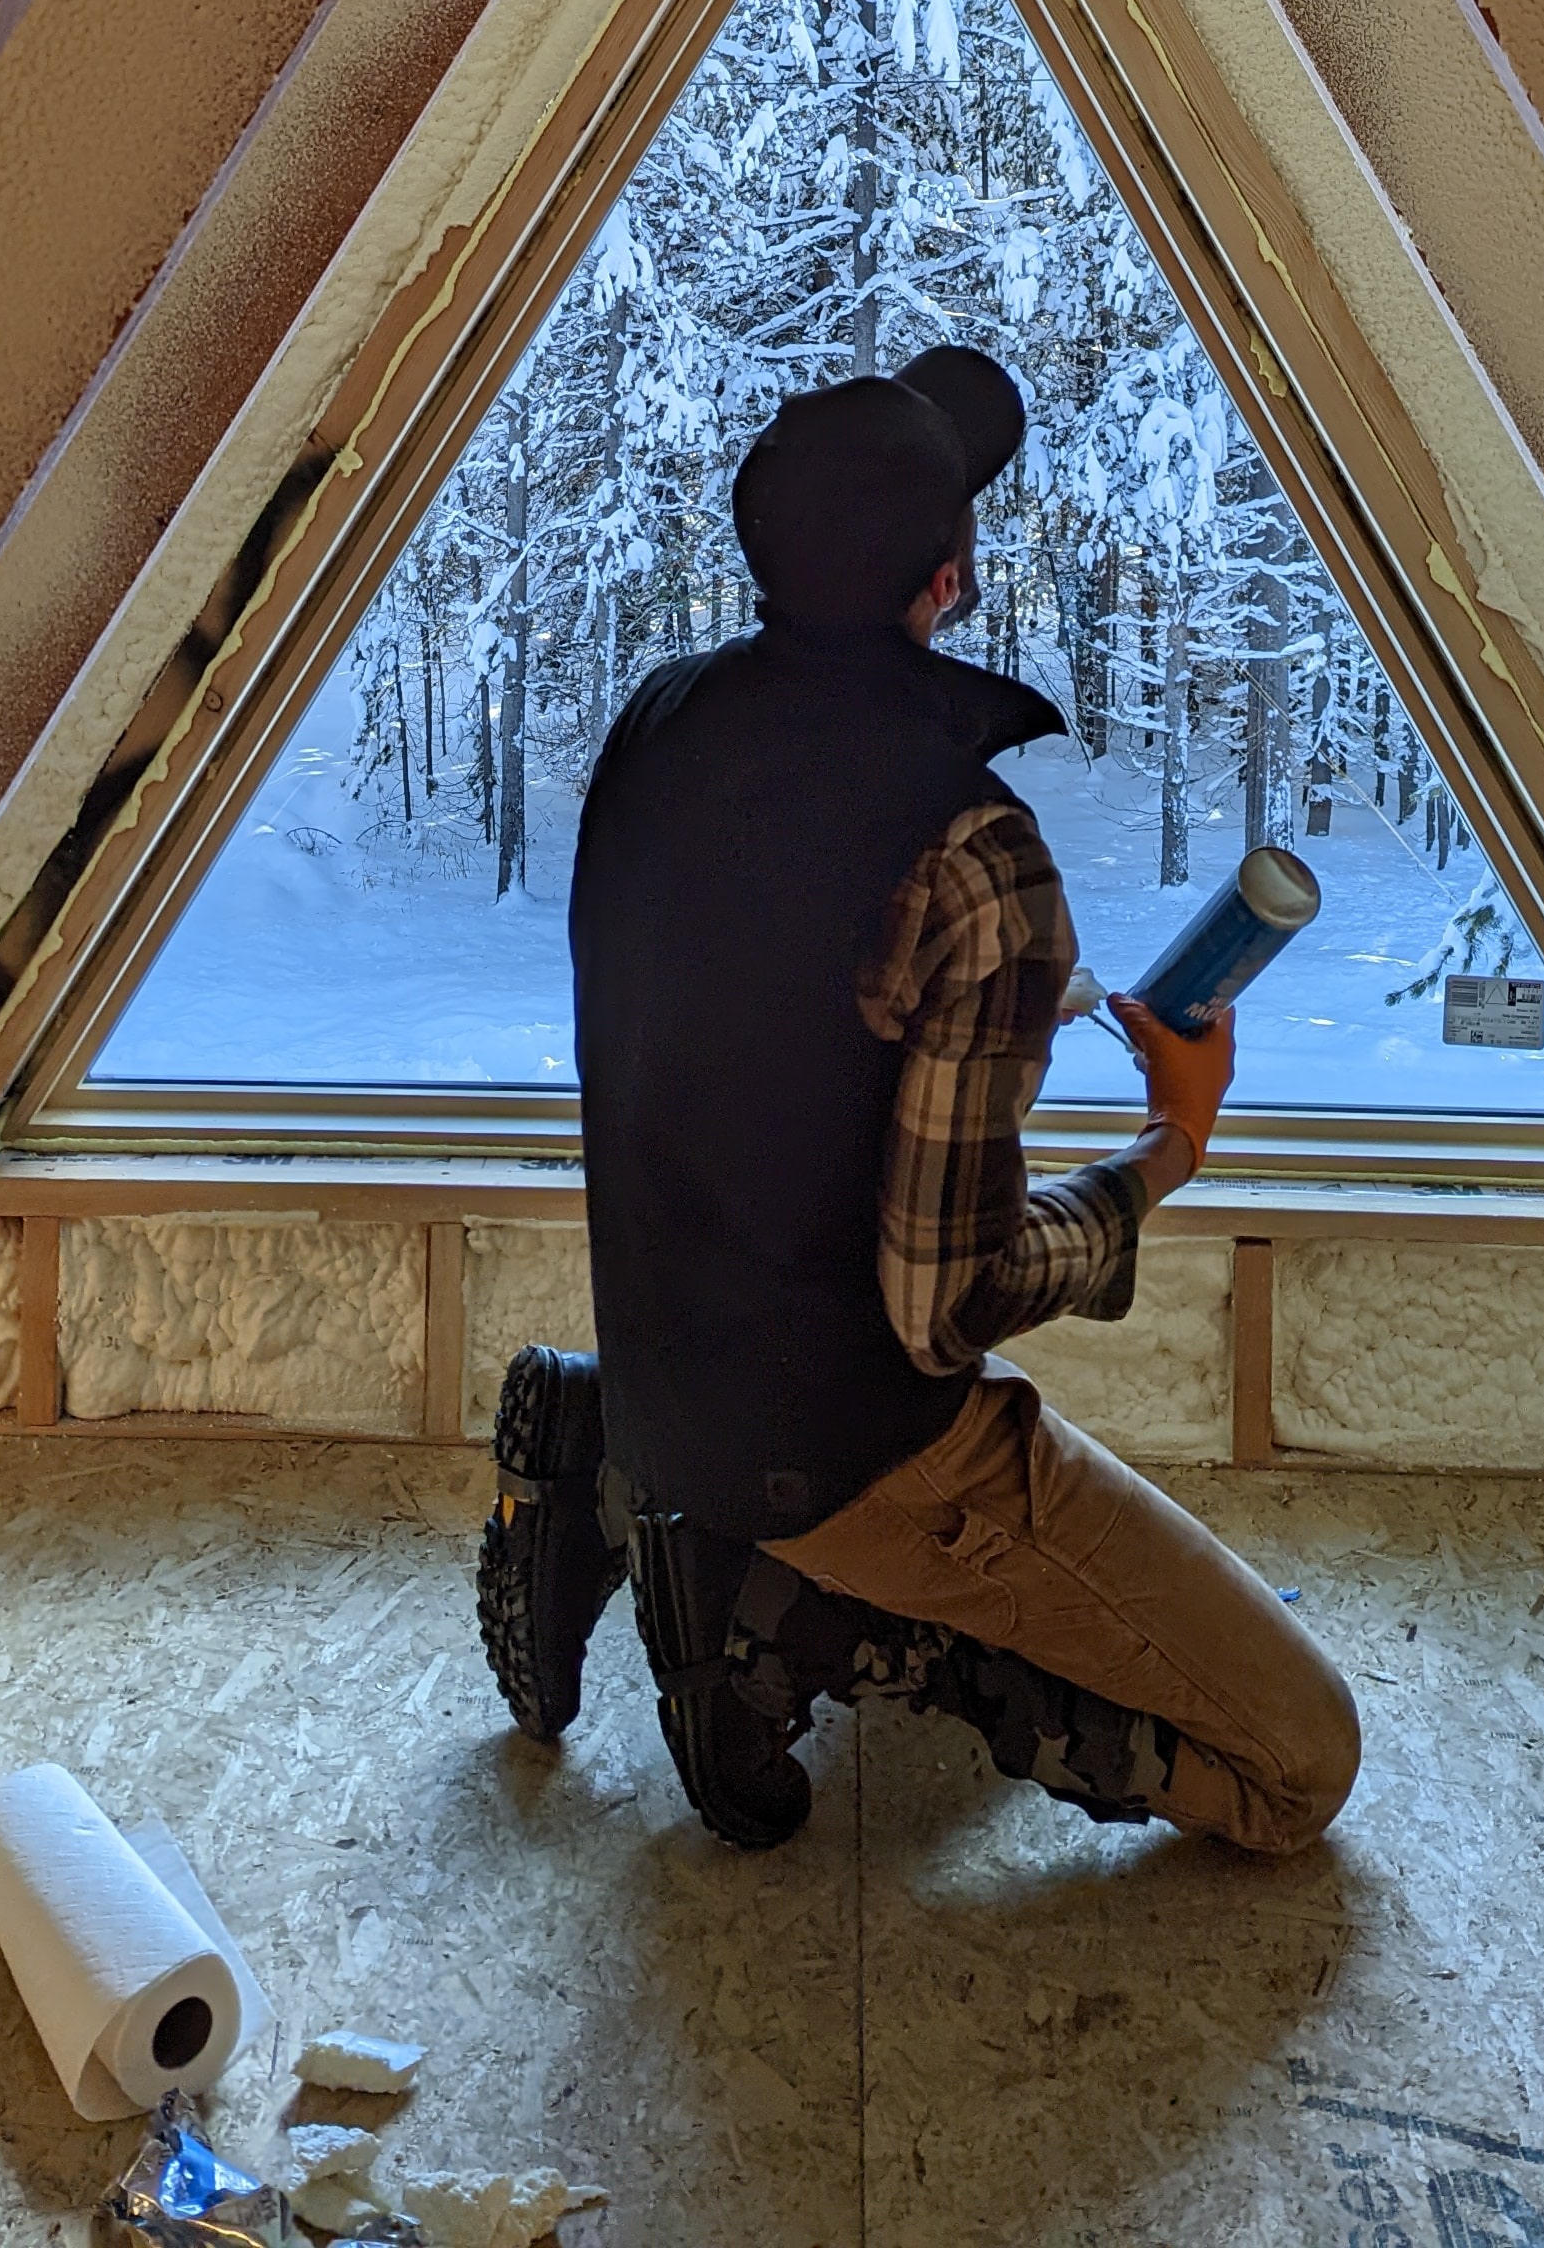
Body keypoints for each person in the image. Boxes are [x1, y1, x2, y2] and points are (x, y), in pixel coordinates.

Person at [475, 350, 1359, 1854]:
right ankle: (792, 1614)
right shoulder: (976, 854)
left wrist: (982, 1009)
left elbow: (737, 1027)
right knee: (1302, 1766)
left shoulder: (660, 718)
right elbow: (945, 1310)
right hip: (843, 1445)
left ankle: (615, 1450)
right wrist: (1171, 1146)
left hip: (672, 1361)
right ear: (949, 580)